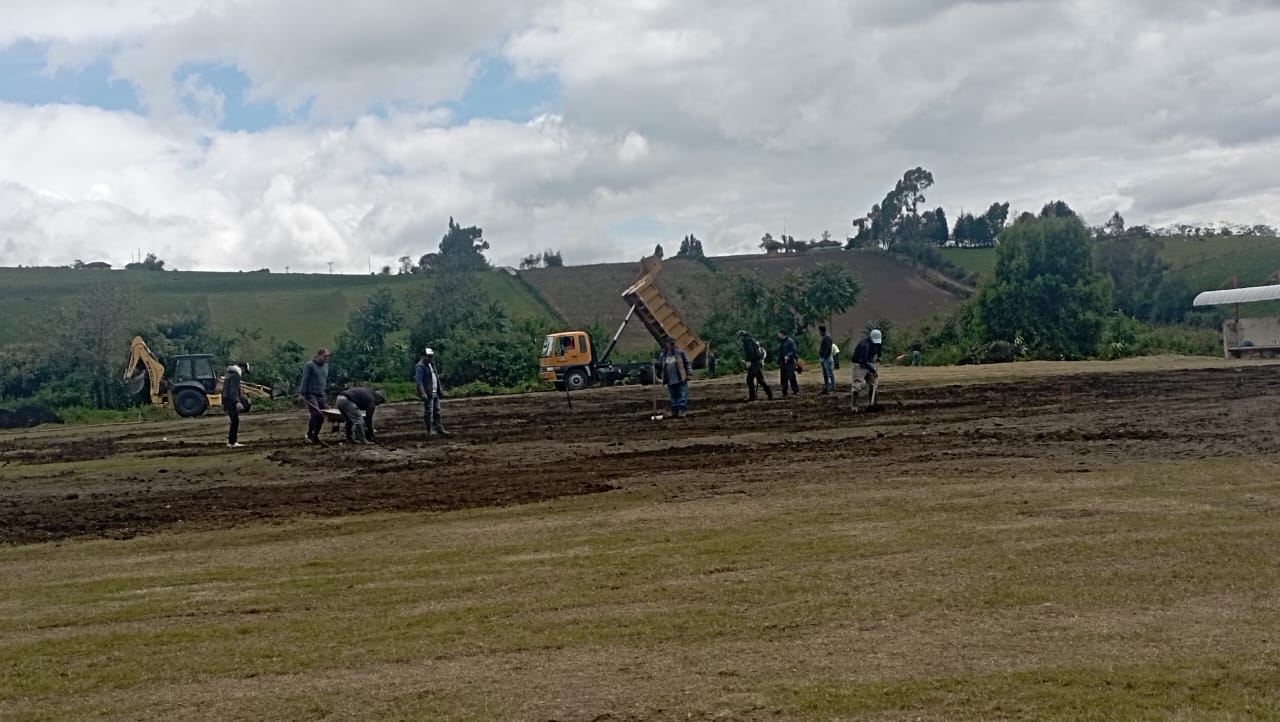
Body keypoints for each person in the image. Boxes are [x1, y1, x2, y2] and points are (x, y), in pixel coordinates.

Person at [415, 347, 451, 437]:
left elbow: (436, 378)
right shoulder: (420, 367)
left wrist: (440, 389)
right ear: (423, 356)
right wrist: (423, 393)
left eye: (431, 356)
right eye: (429, 356)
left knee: (437, 411)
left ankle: (439, 428)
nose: (430, 358)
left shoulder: (431, 364)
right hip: (428, 393)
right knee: (428, 412)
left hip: (435, 392)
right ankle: (429, 430)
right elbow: (419, 382)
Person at [299, 348, 331, 445]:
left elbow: (324, 381)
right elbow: (305, 379)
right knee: (316, 414)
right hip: (310, 394)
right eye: (324, 356)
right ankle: (309, 434)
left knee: (322, 416)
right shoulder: (310, 365)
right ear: (318, 356)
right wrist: (302, 393)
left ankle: (315, 436)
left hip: (321, 394)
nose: (326, 358)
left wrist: (325, 396)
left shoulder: (326, 366)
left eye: (327, 357)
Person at [657, 336, 693, 418]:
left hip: (680, 378)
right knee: (673, 396)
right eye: (671, 344)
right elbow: (661, 366)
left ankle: (682, 410)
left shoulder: (681, 353)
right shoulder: (663, 355)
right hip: (670, 379)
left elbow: (687, 363)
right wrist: (655, 364)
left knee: (682, 395)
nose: (672, 346)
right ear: (667, 344)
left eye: (673, 344)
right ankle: (675, 411)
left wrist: (689, 373)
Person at [850, 329, 884, 412]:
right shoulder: (864, 345)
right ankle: (854, 406)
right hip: (859, 364)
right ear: (870, 338)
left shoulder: (878, 342)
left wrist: (879, 356)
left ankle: (873, 404)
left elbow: (879, 348)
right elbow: (863, 361)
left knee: (873, 384)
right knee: (857, 386)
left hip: (869, 362)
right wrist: (873, 370)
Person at [738, 330, 773, 401]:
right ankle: (753, 396)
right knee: (750, 380)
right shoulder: (751, 339)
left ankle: (769, 393)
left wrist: (748, 361)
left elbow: (750, 352)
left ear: (742, 336)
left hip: (754, 362)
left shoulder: (747, 341)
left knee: (759, 379)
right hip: (756, 362)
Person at [222, 364, 250, 448]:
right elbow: (233, 390)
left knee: (234, 420)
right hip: (231, 400)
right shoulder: (235, 376)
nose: (244, 373)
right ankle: (232, 442)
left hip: (227, 399)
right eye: (244, 371)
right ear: (242, 368)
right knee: (235, 420)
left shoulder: (229, 374)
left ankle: (232, 441)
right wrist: (237, 401)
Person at [777, 329, 799, 396]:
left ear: (782, 334)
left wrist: (788, 355)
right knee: (783, 377)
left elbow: (793, 350)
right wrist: (779, 360)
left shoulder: (790, 341)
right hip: (783, 362)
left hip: (790, 362)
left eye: (779, 334)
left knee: (791, 376)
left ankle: (795, 390)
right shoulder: (781, 342)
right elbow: (780, 352)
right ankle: (784, 391)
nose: (778, 335)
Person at [818, 325, 836, 394]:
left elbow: (828, 348)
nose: (819, 333)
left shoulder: (826, 338)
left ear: (822, 331)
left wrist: (824, 356)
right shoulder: (825, 337)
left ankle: (832, 387)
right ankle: (826, 387)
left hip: (826, 358)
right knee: (825, 374)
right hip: (824, 358)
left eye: (820, 331)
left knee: (829, 373)